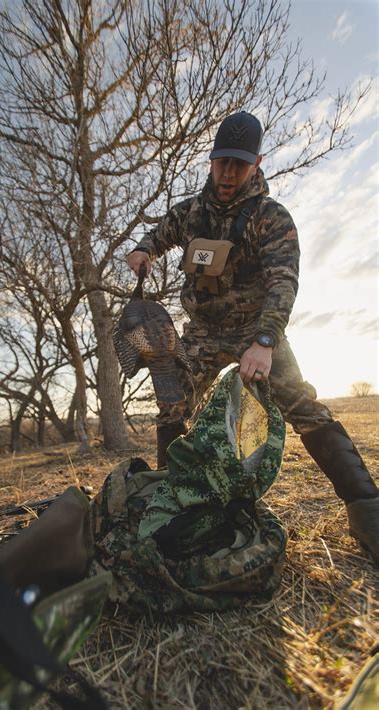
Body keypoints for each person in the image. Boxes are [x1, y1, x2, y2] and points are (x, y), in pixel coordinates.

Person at [126, 111, 378, 564]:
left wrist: (265, 341)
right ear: (212, 160)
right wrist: (144, 250)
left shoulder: (271, 217)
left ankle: (366, 508)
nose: (228, 173)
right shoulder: (190, 214)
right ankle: (171, 502)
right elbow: (159, 234)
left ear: (257, 163)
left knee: (303, 406)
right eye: (222, 161)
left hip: (255, 330)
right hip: (202, 332)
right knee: (172, 402)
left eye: (239, 164)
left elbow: (284, 280)